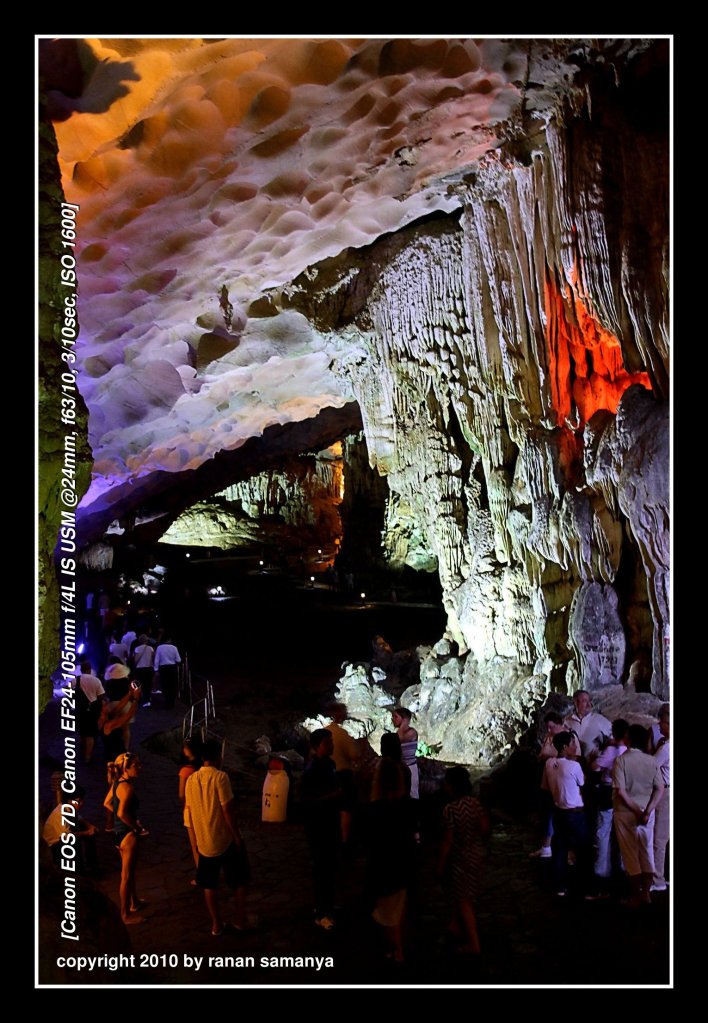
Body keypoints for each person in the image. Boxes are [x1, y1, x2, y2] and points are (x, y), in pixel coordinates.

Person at [184, 738, 251, 935]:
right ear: (217, 756)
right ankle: (240, 920)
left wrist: (196, 838)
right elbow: (227, 810)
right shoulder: (220, 778)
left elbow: (190, 810)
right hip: (223, 839)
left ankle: (216, 924)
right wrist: (236, 836)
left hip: (205, 842)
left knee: (209, 884)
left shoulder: (191, 780)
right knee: (240, 880)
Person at [363, 758, 418, 963]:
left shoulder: (374, 810)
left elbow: (368, 841)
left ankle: (397, 952)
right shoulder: (408, 807)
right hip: (404, 864)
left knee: (388, 914)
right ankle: (399, 947)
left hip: (383, 868)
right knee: (398, 909)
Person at [612, 724, 665, 908]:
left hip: (626, 813)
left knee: (630, 855)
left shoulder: (621, 761)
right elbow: (659, 788)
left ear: (630, 738)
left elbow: (621, 791)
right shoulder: (651, 761)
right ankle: (646, 894)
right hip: (646, 813)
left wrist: (636, 811)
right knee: (646, 852)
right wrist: (647, 811)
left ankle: (635, 897)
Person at [438, 766, 489, 956]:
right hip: (476, 854)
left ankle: (473, 943)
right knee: (467, 895)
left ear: (452, 785)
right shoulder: (475, 803)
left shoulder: (450, 810)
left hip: (460, 859)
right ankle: (456, 926)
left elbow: (447, 841)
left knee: (463, 900)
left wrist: (440, 865)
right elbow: (484, 827)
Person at [541, 731, 593, 897]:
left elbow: (545, 787)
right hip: (575, 813)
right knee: (584, 849)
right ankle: (586, 887)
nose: (575, 746)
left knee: (560, 849)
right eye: (572, 743)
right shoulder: (573, 766)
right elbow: (582, 782)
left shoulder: (549, 764)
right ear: (564, 747)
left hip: (558, 811)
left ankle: (560, 886)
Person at [300, 728, 341, 930]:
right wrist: (333, 796)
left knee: (330, 867)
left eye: (331, 742)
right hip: (318, 826)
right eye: (327, 743)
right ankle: (321, 912)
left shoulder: (330, 764)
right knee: (321, 869)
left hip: (330, 822)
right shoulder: (312, 771)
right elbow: (307, 801)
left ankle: (328, 904)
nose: (331, 746)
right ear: (316, 747)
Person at [103, 752, 148, 925]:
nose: (139, 768)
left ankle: (133, 902)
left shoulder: (117, 783)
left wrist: (120, 819)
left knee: (129, 871)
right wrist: (136, 826)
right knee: (126, 876)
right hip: (127, 835)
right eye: (135, 765)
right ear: (125, 769)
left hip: (117, 833)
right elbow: (122, 813)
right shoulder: (127, 788)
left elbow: (107, 803)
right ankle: (125, 915)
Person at [529, 711, 581, 859]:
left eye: (551, 727)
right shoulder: (549, 737)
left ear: (560, 724)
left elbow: (575, 757)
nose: (549, 730)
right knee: (547, 814)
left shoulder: (570, 738)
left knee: (566, 818)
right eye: (547, 727)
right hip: (549, 781)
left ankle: (569, 851)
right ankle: (546, 847)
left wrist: (551, 757)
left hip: (563, 784)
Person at [587, 718, 628, 895]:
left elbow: (595, 767)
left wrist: (593, 759)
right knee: (622, 832)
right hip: (624, 793)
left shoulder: (610, 750)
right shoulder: (627, 751)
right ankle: (623, 868)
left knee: (603, 831)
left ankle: (601, 870)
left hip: (607, 791)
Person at [325, 702, 361, 844]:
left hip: (327, 773)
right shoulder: (342, 734)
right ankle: (345, 839)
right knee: (346, 808)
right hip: (343, 773)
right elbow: (354, 754)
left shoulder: (325, 731)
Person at [43, 785, 99, 874]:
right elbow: (66, 836)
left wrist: (90, 826)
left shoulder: (68, 807)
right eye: (78, 801)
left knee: (88, 834)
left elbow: (79, 818)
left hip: (63, 838)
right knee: (78, 839)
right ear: (69, 801)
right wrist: (87, 833)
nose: (81, 803)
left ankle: (90, 865)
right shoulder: (62, 813)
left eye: (82, 800)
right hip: (55, 845)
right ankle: (78, 870)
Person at [72, 660, 107, 764]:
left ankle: (83, 748)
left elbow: (69, 691)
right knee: (90, 734)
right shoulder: (96, 680)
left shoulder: (76, 680)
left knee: (82, 731)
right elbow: (101, 695)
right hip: (92, 710)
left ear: (81, 670)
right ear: (90, 670)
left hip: (80, 709)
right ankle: (87, 757)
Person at [179, 736, 203, 883]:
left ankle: (202, 876)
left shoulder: (186, 770)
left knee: (196, 845)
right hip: (203, 806)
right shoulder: (202, 766)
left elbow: (181, 794)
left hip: (191, 808)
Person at [651, 706, 670, 892]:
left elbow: (651, 766)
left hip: (666, 793)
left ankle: (658, 880)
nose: (659, 725)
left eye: (662, 722)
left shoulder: (666, 748)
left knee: (659, 837)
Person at [563, 690, 612, 760]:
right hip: (575, 763)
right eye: (584, 701)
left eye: (589, 701)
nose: (589, 704)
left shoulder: (599, 719)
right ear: (576, 703)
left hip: (594, 762)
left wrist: (603, 753)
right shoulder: (568, 721)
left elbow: (615, 738)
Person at [391, 707, 419, 800]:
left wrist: (404, 724)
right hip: (400, 767)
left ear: (404, 719)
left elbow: (400, 739)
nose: (393, 719)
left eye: (396, 717)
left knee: (413, 794)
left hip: (410, 767)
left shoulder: (412, 732)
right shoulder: (398, 733)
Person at [154, 636, 182, 709]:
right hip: (172, 667)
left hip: (163, 668)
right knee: (172, 685)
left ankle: (167, 702)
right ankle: (172, 702)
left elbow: (157, 659)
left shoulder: (159, 648)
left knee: (165, 685)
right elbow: (178, 659)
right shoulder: (174, 647)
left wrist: (156, 669)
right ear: (169, 640)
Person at [132, 635, 155, 708]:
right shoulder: (150, 648)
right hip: (148, 668)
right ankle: (147, 699)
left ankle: (139, 699)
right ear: (146, 640)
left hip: (139, 669)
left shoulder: (137, 649)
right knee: (148, 684)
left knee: (139, 684)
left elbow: (135, 660)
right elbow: (153, 658)